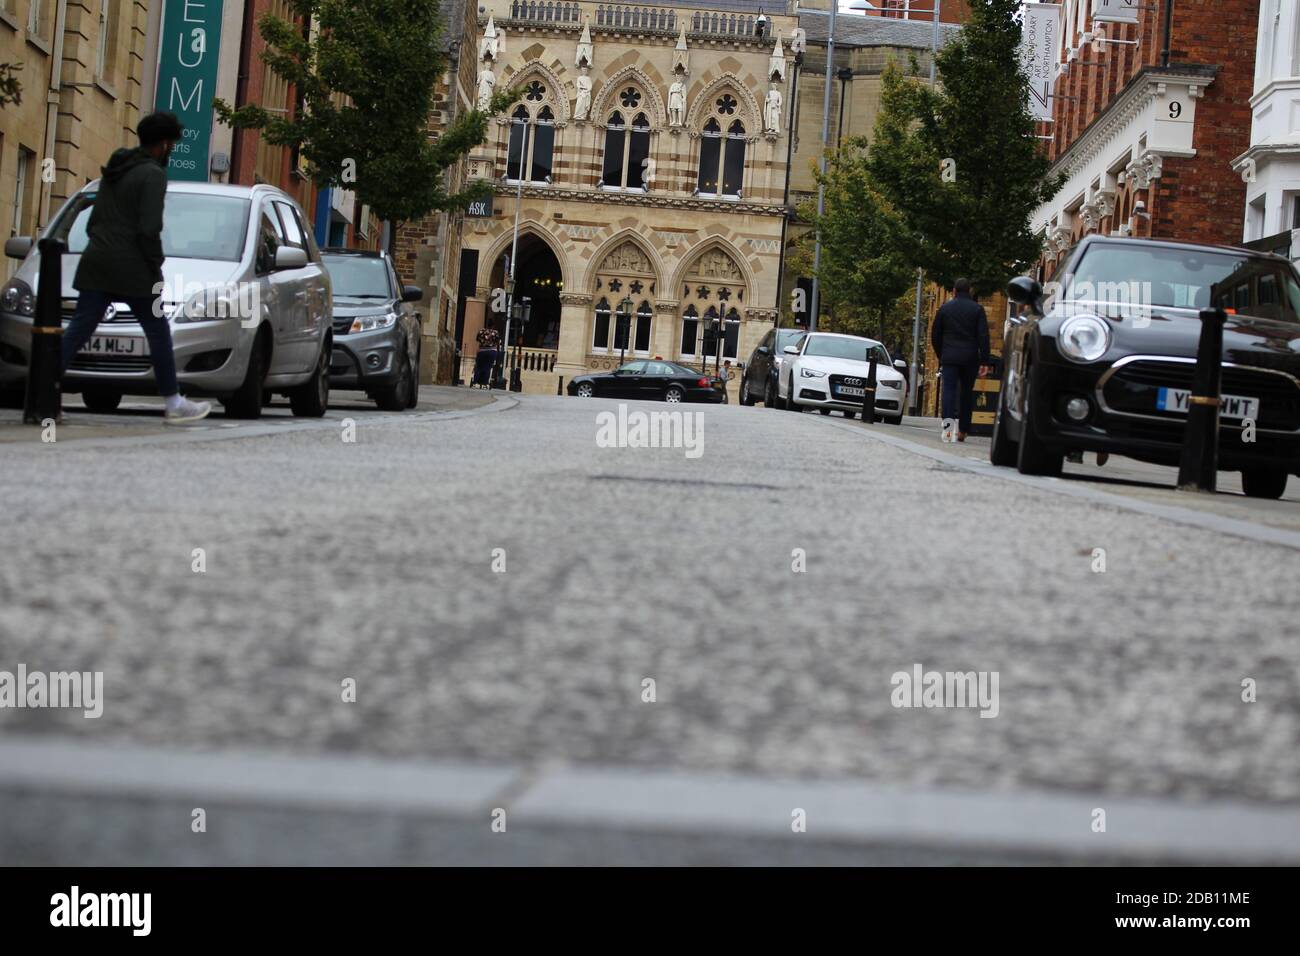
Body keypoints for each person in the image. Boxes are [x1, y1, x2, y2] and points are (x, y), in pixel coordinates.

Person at [62, 111, 211, 424]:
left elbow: (93, 223)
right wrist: (155, 262)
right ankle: (173, 402)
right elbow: (149, 227)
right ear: (163, 144)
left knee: (78, 329)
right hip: (135, 269)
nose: (171, 149)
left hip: (97, 261)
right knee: (157, 332)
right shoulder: (153, 175)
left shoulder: (115, 170)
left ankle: (45, 392)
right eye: (171, 143)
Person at [930, 278, 992, 443]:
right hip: (970, 358)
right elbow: (983, 336)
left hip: (949, 357)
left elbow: (935, 335)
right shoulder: (977, 309)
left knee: (949, 391)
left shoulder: (944, 309)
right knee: (966, 393)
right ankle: (963, 430)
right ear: (969, 290)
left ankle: (948, 429)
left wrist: (941, 354)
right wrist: (984, 361)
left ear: (954, 291)